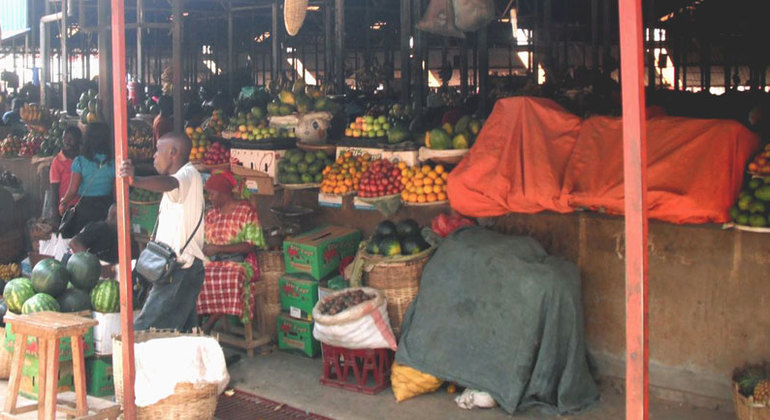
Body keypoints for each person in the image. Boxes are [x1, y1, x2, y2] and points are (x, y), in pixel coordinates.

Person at [119, 131, 205, 331]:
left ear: (173, 153)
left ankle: (130, 362)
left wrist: (135, 181)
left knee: (145, 330)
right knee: (184, 335)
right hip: (182, 268)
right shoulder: (182, 178)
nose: (154, 156)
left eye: (158, 150)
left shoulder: (187, 175)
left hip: (180, 269)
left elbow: (171, 184)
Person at [197, 171, 265, 327]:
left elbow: (250, 245)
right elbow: (206, 242)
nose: (209, 197)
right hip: (214, 261)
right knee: (195, 275)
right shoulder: (211, 214)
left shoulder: (246, 210)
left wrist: (219, 249)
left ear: (223, 193)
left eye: (212, 194)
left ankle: (210, 322)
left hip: (242, 262)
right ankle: (197, 324)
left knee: (233, 277)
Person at [58, 123, 115, 238]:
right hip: (106, 209)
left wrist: (63, 203)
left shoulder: (80, 161)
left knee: (83, 244)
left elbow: (73, 191)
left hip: (85, 209)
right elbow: (115, 191)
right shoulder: (113, 163)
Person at [69, 204, 139, 264]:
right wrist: (91, 265)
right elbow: (74, 243)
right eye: (125, 218)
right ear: (112, 216)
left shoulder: (121, 234)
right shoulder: (99, 228)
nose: (128, 221)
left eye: (129, 218)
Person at [49, 126, 82, 224]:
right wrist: (55, 216)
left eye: (71, 139)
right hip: (65, 209)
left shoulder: (83, 159)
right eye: (65, 139)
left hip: (81, 207)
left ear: (79, 140)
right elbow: (54, 191)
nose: (67, 142)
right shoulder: (57, 162)